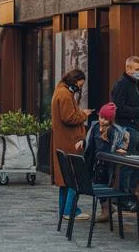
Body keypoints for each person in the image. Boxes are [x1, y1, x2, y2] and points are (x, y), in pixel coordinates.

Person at [111, 56, 139, 211]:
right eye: (137, 69)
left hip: (136, 128)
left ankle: (128, 195)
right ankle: (124, 198)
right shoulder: (123, 85)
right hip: (128, 129)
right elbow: (118, 108)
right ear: (128, 69)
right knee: (129, 165)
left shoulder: (133, 84)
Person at [75, 102, 129, 222]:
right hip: (95, 161)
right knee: (97, 182)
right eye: (101, 117)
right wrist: (82, 142)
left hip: (108, 163)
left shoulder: (115, 130)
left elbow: (125, 136)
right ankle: (106, 208)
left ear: (110, 120)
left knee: (105, 183)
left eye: (105, 119)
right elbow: (88, 140)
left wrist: (122, 148)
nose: (102, 120)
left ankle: (106, 209)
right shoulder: (94, 127)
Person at [51, 69, 94, 220]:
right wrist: (84, 114)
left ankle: (66, 209)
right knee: (74, 178)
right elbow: (68, 118)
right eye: (80, 84)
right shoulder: (64, 94)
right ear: (74, 81)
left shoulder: (62, 91)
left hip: (65, 141)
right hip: (69, 142)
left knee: (66, 180)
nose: (80, 87)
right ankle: (70, 211)